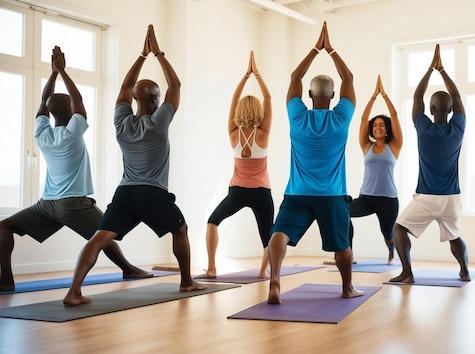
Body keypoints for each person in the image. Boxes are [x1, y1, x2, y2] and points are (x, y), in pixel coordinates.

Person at [63, 25, 206, 306]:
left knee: (100, 238)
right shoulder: (159, 120)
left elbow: (125, 89)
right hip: (152, 193)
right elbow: (175, 87)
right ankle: (187, 282)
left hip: (125, 193)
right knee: (180, 230)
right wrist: (158, 53)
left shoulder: (121, 123)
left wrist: (141, 56)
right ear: (155, 99)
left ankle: (73, 292)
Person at [0, 46, 151, 292]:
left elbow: (43, 103)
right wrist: (62, 71)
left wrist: (52, 74)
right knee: (106, 232)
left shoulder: (42, 134)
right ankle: (128, 268)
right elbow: (78, 100)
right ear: (64, 110)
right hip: (73, 205)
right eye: (69, 104)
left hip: (46, 205)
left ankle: (6, 278)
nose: (74, 105)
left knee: (4, 227)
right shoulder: (73, 132)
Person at [267, 21, 363, 304]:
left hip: (297, 193)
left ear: (309, 95)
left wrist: (313, 49)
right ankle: (346, 288)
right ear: (332, 96)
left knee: (280, 233)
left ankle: (274, 280)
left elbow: (296, 76)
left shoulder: (297, 116)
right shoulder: (340, 118)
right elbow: (349, 79)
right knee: (342, 244)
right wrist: (330, 50)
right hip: (331, 195)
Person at [390, 44, 470, 283]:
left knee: (399, 229)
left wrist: (429, 69)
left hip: (427, 197)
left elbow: (417, 97)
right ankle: (465, 271)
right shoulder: (458, 128)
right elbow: (456, 97)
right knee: (455, 236)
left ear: (432, 109)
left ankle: (407, 273)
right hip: (452, 198)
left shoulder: (423, 128)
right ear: (451, 110)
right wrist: (443, 70)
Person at [195, 51, 273, 279]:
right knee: (269, 235)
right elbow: (268, 100)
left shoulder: (233, 133)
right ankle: (263, 271)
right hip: (261, 191)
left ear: (239, 110)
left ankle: (211, 268)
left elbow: (233, 99)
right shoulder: (264, 133)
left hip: (237, 191)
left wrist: (244, 77)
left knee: (212, 222)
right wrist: (257, 75)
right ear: (258, 112)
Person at [348, 75, 402, 265]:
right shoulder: (366, 146)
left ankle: (391, 250)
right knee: (343, 213)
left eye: (381, 125)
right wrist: (373, 97)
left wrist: (385, 96)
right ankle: (349, 254)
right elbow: (363, 119)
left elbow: (394, 117)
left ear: (386, 129)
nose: (378, 127)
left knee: (388, 233)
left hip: (388, 199)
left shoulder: (394, 146)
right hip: (366, 197)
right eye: (375, 125)